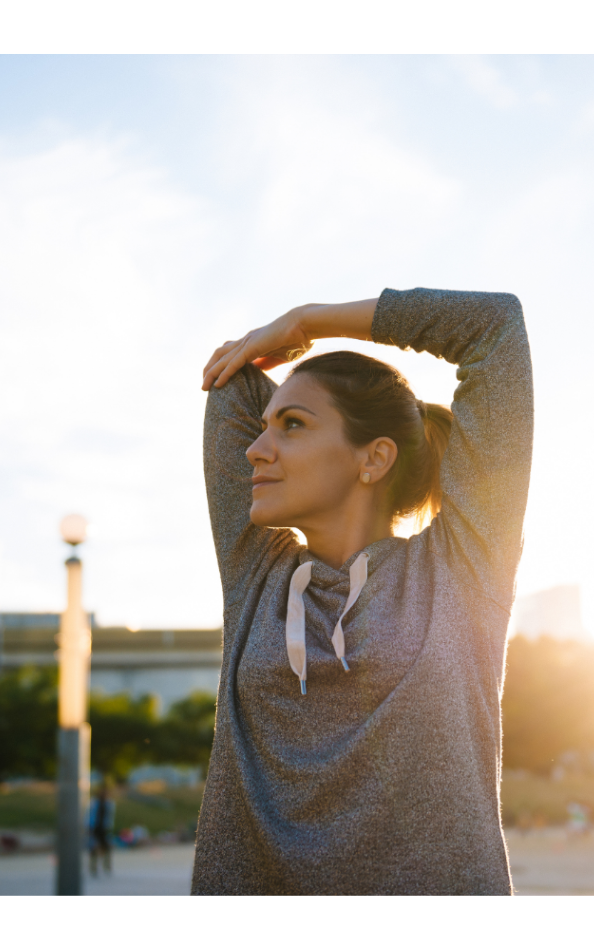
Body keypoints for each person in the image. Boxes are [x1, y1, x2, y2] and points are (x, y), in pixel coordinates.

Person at [192, 288, 533, 896]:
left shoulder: (461, 568)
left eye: (292, 426)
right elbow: (233, 382)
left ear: (373, 459)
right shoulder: (258, 574)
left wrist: (307, 322)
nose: (255, 449)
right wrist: (296, 376)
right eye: (268, 426)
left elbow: (494, 329)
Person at [88, 781, 115, 876]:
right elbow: (90, 815)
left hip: (104, 828)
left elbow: (110, 817)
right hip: (95, 827)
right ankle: (93, 868)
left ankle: (107, 867)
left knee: (107, 847)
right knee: (93, 847)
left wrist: (109, 827)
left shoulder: (109, 803)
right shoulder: (94, 803)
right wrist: (89, 826)